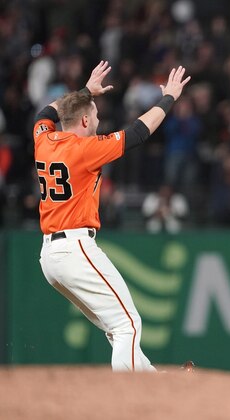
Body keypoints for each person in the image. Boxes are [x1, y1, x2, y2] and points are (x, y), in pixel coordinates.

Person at [34, 61, 190, 371]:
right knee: (127, 324)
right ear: (85, 119)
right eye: (95, 114)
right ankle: (131, 404)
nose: (98, 120)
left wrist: (84, 91)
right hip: (74, 247)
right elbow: (138, 132)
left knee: (117, 327)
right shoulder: (84, 149)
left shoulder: (43, 140)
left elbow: (44, 114)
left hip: (49, 256)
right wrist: (169, 97)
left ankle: (160, 387)